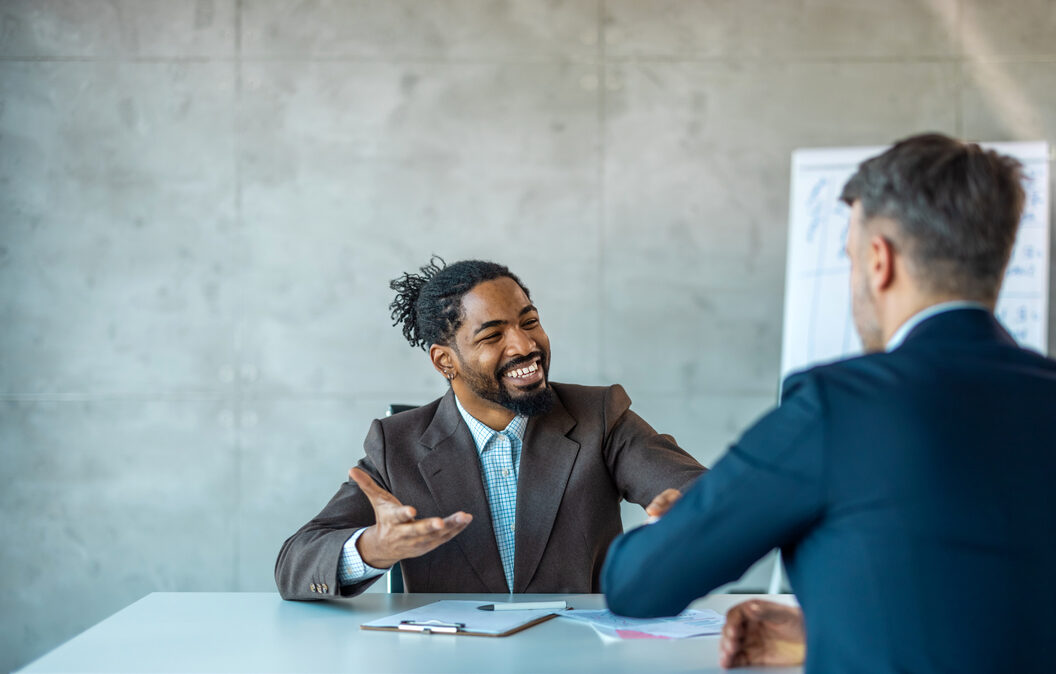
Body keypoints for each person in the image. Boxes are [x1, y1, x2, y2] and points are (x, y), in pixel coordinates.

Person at [602, 133, 1056, 672]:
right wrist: (830, 628)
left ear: (878, 261)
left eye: (849, 258)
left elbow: (639, 585)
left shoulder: (837, 406)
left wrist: (677, 529)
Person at [275, 257, 705, 599]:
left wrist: (688, 512)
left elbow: (699, 491)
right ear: (445, 361)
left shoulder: (600, 415)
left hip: (580, 653)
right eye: (493, 335)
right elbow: (295, 564)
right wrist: (373, 548)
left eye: (529, 321)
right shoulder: (398, 444)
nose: (525, 346)